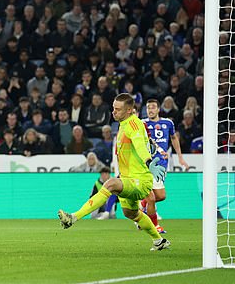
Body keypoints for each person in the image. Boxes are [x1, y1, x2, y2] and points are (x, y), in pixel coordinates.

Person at [58, 93, 170, 251]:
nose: (113, 112)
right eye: (113, 108)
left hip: (140, 180)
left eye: (118, 109)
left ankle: (73, 217)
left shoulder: (133, 125)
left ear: (130, 110)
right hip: (128, 178)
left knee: (109, 184)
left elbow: (139, 145)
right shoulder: (123, 125)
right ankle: (159, 241)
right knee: (131, 213)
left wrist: (149, 162)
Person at [141, 98, 189, 234]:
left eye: (153, 107)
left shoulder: (168, 123)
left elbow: (173, 138)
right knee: (151, 197)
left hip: (162, 163)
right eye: (148, 107)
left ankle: (142, 207)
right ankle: (154, 226)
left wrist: (180, 157)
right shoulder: (142, 123)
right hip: (147, 164)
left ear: (158, 109)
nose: (150, 110)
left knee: (160, 196)